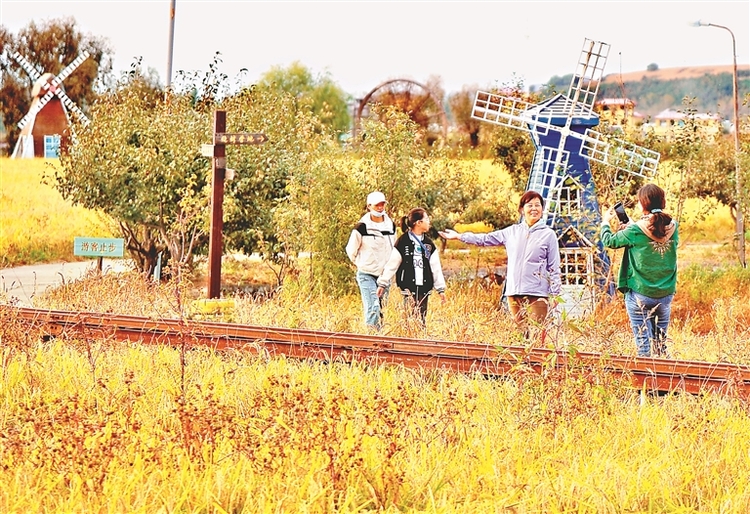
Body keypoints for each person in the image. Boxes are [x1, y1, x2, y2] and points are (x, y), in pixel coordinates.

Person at [439, 190, 561, 339]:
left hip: (537, 294)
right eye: (530, 205)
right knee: (520, 336)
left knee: (538, 336)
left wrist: (555, 294)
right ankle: (523, 363)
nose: (534, 208)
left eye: (538, 205)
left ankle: (539, 363)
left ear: (542, 209)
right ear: (522, 209)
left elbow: (554, 267)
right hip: (514, 292)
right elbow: (485, 239)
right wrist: (459, 236)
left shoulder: (548, 235)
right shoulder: (511, 232)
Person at [600, 183, 678, 358]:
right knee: (660, 346)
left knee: (644, 347)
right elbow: (653, 229)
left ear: (642, 204)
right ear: (663, 202)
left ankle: (646, 383)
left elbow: (609, 241)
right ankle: (665, 380)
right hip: (665, 294)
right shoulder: (674, 227)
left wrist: (605, 222)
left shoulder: (635, 230)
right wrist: (631, 227)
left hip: (640, 294)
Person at [377, 208, 446, 325]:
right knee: (409, 318)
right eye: (427, 219)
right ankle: (408, 339)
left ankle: (420, 340)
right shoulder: (403, 242)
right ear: (418, 223)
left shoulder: (429, 244)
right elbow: (392, 264)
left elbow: (436, 268)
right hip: (408, 285)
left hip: (424, 286)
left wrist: (440, 289)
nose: (429, 222)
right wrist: (382, 283)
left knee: (421, 319)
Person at [346, 191, 397, 331]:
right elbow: (351, 250)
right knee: (373, 306)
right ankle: (371, 339)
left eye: (382, 204)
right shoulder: (361, 227)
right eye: (377, 205)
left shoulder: (390, 225)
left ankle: (378, 338)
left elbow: (394, 247)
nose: (380, 208)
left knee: (381, 309)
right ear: (369, 206)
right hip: (367, 274)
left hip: (384, 275)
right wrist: (362, 263)